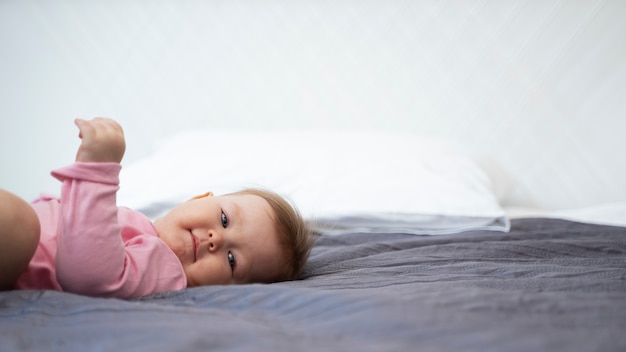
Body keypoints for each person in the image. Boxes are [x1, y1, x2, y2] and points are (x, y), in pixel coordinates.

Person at [0, 117, 315, 298]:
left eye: (232, 260)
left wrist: (97, 172)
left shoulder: (167, 271)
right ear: (199, 198)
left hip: (17, 257)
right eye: (223, 219)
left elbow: (90, 278)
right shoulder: (139, 227)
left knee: (22, 224)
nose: (214, 239)